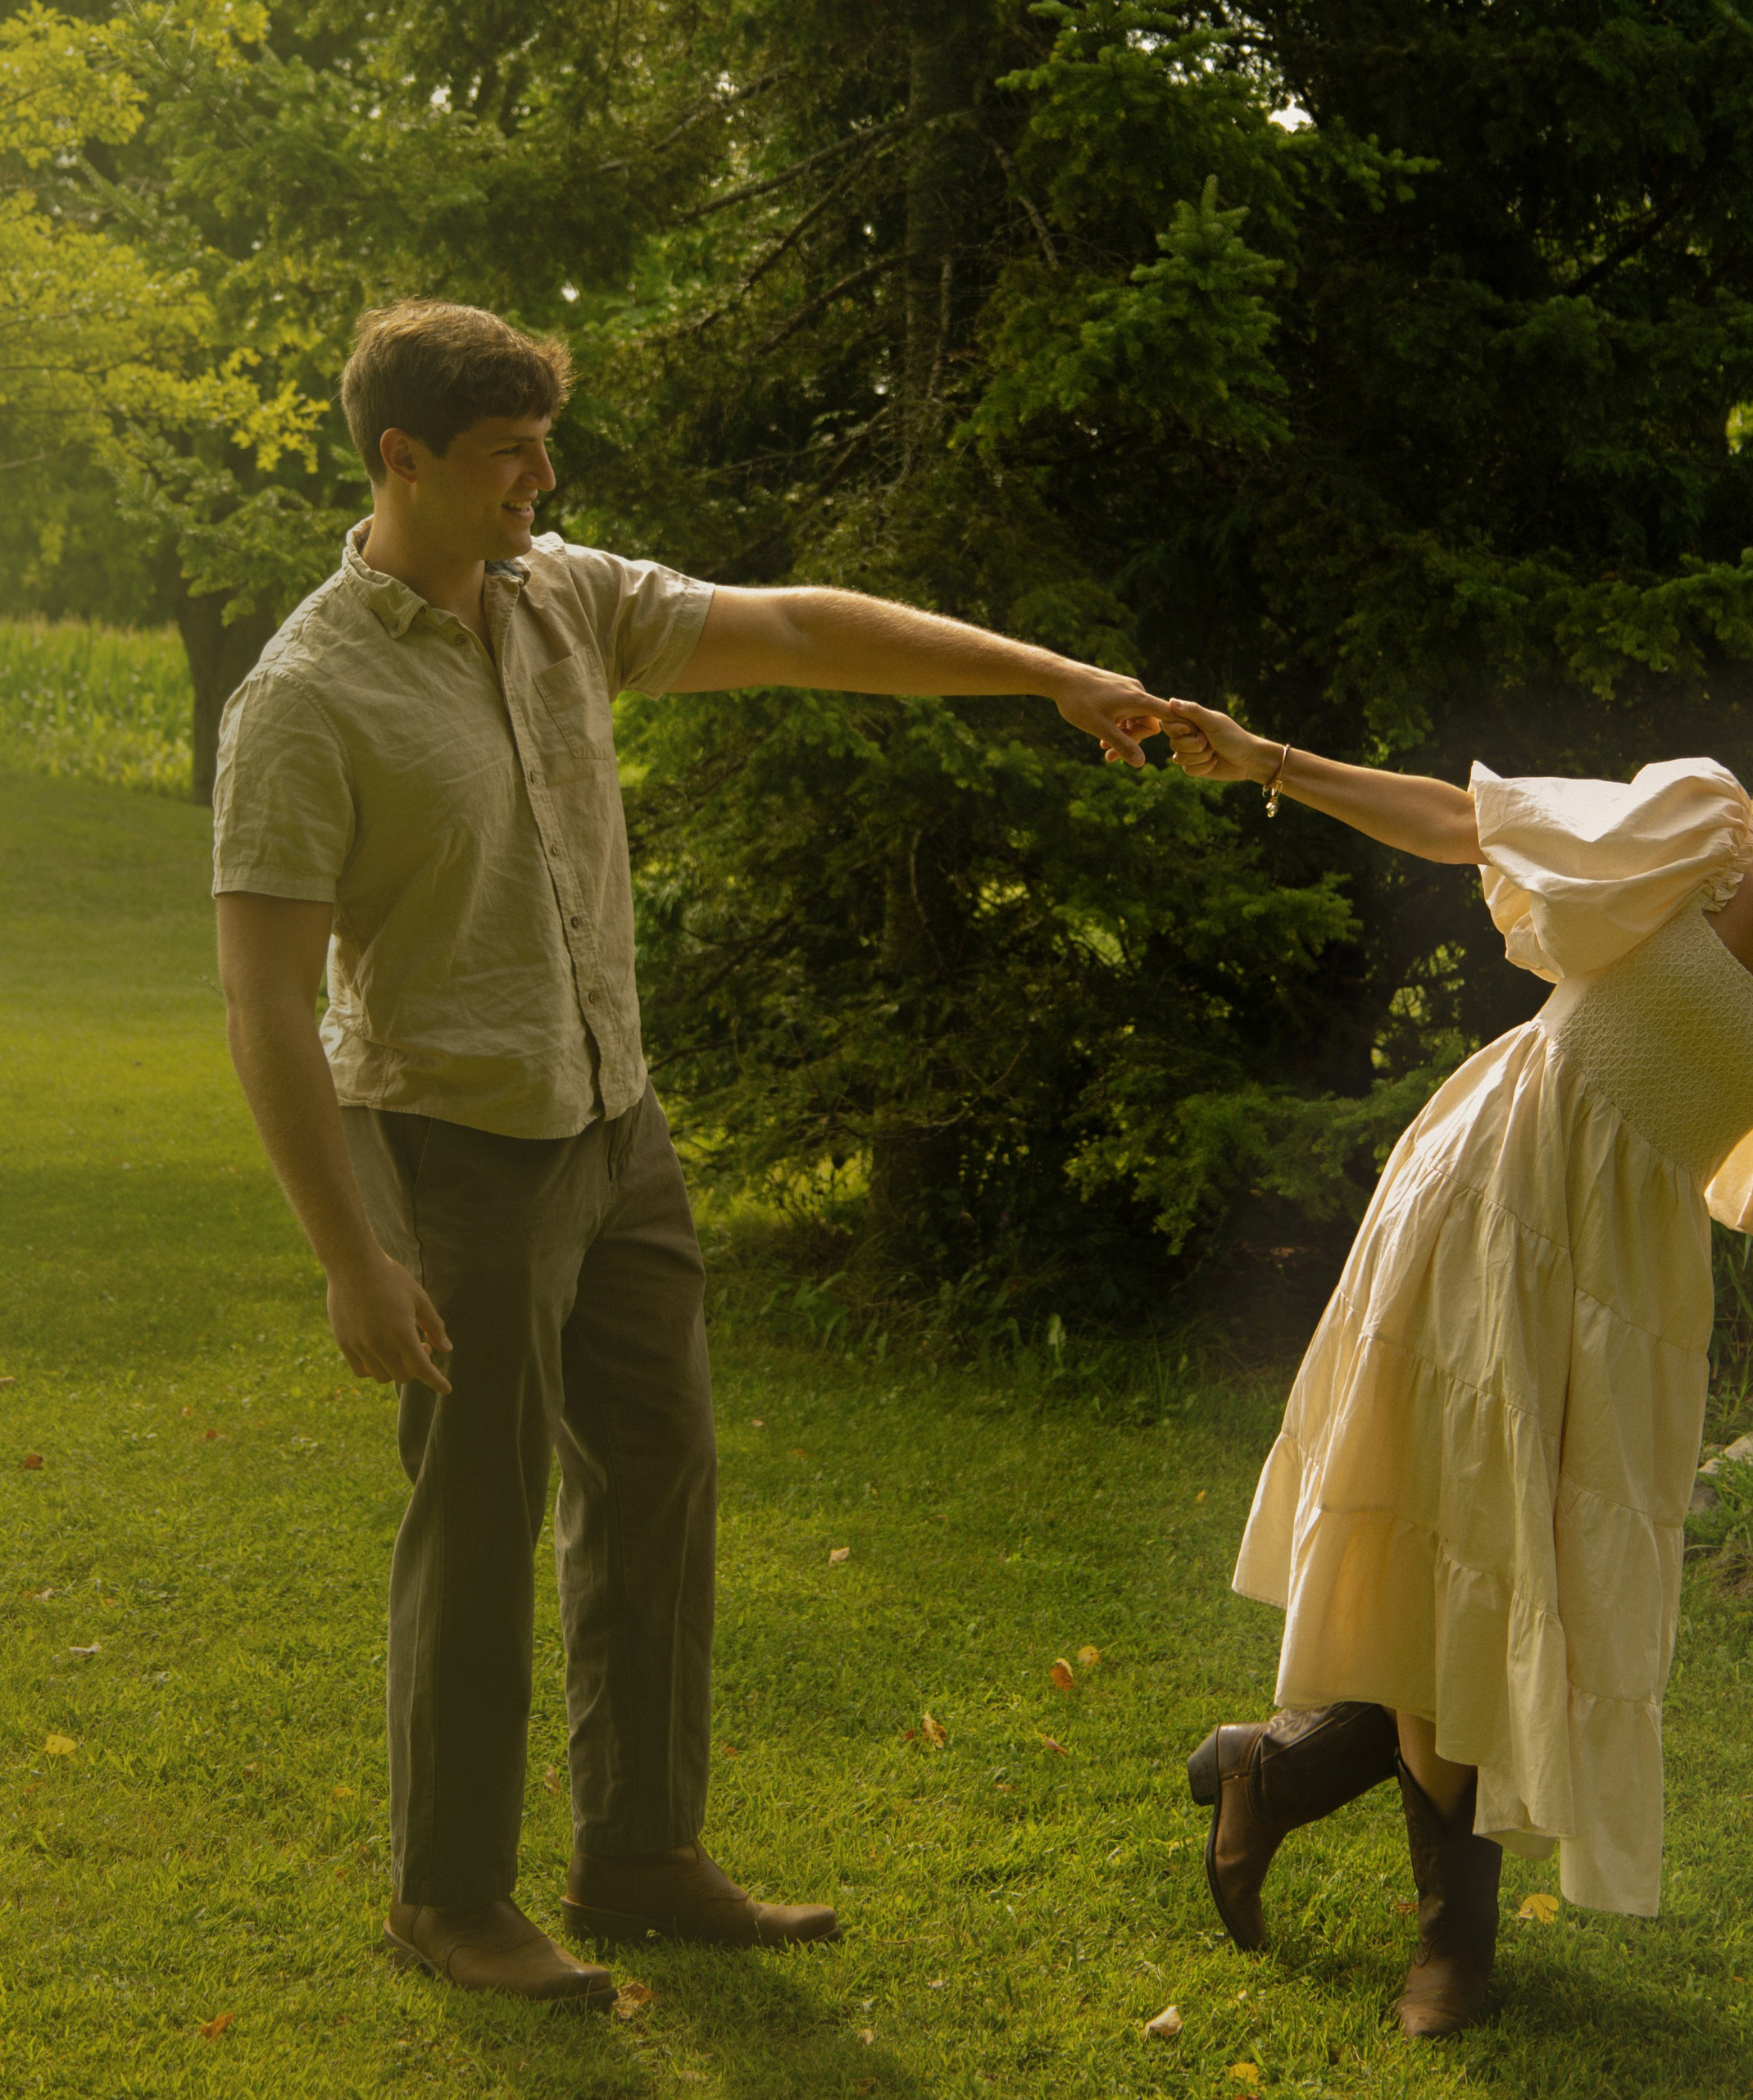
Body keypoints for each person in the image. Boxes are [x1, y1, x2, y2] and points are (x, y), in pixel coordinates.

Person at [211, 300, 1164, 2007]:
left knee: (655, 1484)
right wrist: (354, 1253)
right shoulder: (303, 699)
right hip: (449, 1150)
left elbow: (799, 627)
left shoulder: (560, 597)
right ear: (401, 462)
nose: (541, 482)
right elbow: (268, 1006)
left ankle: (641, 1853)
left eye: (542, 452)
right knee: (475, 1516)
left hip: (616, 1131)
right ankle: (448, 1893)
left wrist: (1042, 673)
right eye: (509, 457)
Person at [1151, 692, 1753, 2037]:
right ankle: (1453, 1945)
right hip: (1494, 1186)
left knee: (1536, 1587)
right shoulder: (1701, 832)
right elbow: (1474, 826)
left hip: (1631, 1272)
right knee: (1470, 1546)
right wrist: (1270, 760)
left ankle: (1270, 1774)